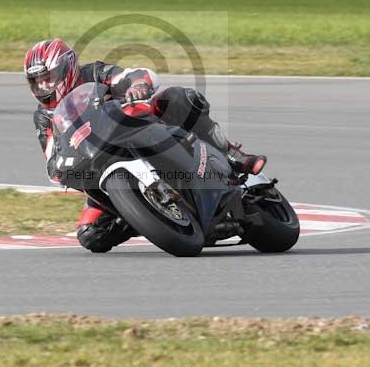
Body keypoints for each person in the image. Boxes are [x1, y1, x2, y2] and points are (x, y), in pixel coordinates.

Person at [25, 38, 267, 253]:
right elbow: (52, 155)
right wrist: (60, 170)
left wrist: (138, 85)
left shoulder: (94, 73)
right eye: (37, 81)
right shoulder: (44, 118)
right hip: (99, 167)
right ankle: (148, 215)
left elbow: (134, 74)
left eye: (48, 78)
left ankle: (231, 154)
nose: (44, 86)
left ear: (67, 68)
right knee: (91, 234)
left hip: (137, 130)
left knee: (178, 99)